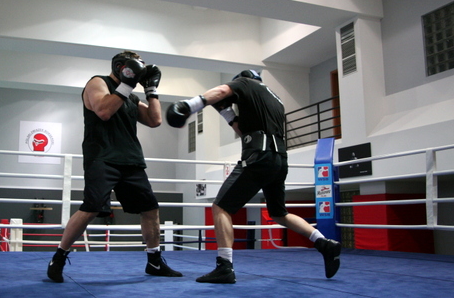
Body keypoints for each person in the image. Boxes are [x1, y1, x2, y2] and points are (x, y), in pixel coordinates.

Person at [166, 69, 341, 284]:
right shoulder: (275, 100)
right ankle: (324, 243)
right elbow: (245, 132)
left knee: (220, 207)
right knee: (279, 213)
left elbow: (221, 91)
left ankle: (224, 266)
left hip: (258, 156)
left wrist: (189, 105)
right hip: (279, 160)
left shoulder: (245, 82)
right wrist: (227, 114)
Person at [47, 50, 183, 282]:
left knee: (150, 209)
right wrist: (127, 84)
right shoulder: (98, 82)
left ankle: (154, 261)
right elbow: (103, 111)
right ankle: (58, 257)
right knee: (91, 208)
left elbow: (155, 120)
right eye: (136, 68)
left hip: (131, 159)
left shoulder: (130, 97)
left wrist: (151, 91)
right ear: (122, 67)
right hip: (102, 157)